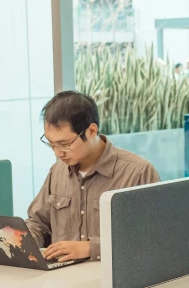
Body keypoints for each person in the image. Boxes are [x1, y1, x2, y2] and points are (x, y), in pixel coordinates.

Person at [26, 91, 160, 263]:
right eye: (51, 144)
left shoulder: (138, 172)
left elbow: (153, 238)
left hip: (115, 282)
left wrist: (91, 248)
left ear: (91, 131)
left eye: (64, 144)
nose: (58, 153)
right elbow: (39, 223)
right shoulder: (58, 171)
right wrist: (22, 239)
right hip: (59, 281)